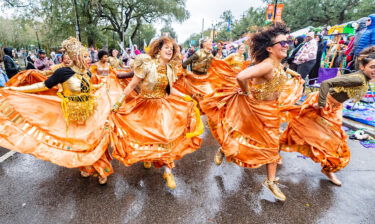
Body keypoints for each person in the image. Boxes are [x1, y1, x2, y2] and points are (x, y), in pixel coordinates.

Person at [201, 23, 302, 202]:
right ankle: (225, 148)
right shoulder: (268, 64)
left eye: (288, 42)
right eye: (283, 43)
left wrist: (296, 75)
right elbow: (241, 76)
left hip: (271, 110)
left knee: (270, 143)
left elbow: (284, 69)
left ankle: (270, 181)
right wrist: (247, 92)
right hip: (256, 108)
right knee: (244, 134)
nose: (287, 45)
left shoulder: (278, 63)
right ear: (270, 48)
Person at [0, 37, 113, 185]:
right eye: (85, 56)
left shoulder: (87, 73)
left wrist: (106, 85)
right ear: (76, 57)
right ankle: (85, 166)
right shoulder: (63, 72)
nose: (89, 59)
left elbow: (90, 88)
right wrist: (15, 89)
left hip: (90, 113)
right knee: (78, 143)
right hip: (71, 115)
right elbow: (42, 86)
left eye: (88, 56)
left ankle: (101, 169)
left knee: (94, 141)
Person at [111, 36, 203, 189]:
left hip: (163, 107)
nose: (169, 50)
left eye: (171, 49)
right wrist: (118, 102)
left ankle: (168, 171)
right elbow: (132, 85)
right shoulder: (147, 65)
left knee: (166, 138)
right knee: (146, 137)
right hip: (144, 106)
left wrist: (186, 97)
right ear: (158, 50)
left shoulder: (169, 69)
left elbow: (170, 90)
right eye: (166, 47)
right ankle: (148, 158)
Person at [280, 46, 375, 186]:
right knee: (302, 131)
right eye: (372, 67)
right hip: (323, 105)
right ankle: (275, 151)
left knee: (330, 140)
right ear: (362, 66)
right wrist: (321, 103)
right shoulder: (358, 79)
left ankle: (328, 169)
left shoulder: (363, 78)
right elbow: (326, 83)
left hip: (333, 109)